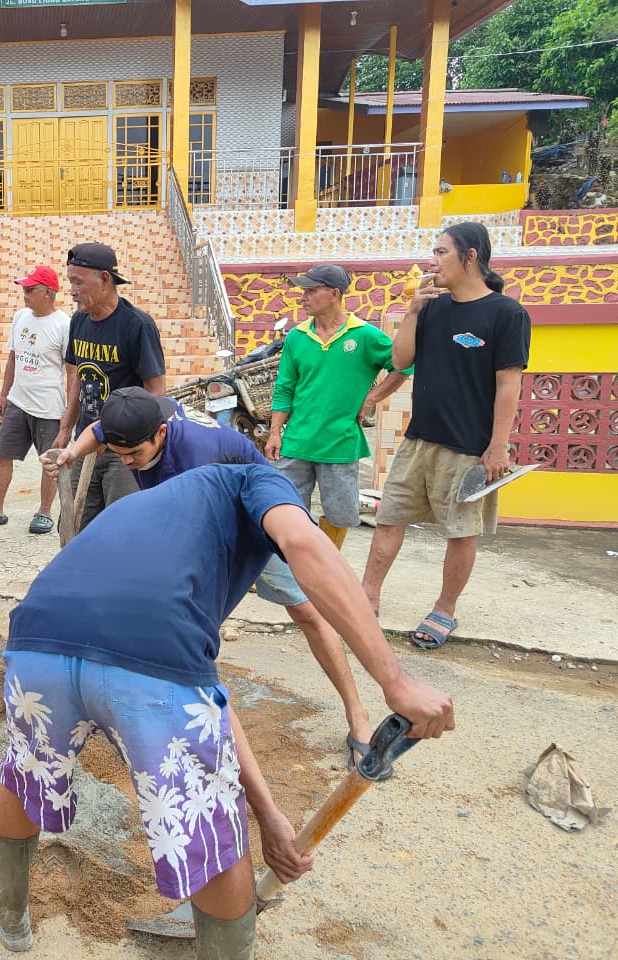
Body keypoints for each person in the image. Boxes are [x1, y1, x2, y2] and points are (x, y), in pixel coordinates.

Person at [0, 462, 455, 956]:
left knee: (26, 771)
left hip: (37, 645)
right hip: (150, 666)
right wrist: (394, 683)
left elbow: (211, 697)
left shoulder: (157, 514)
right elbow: (306, 545)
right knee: (206, 826)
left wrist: (268, 815)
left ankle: (11, 917)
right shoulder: (255, 479)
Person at [48, 387, 375, 759]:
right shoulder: (138, 417)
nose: (127, 464)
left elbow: (198, 537)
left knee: (307, 612)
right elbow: (97, 430)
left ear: (161, 434)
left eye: (134, 455)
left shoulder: (195, 458)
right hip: (192, 510)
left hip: (253, 512)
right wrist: (71, 453)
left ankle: (357, 713)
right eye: (120, 455)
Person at [362, 221, 531, 650]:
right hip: (420, 439)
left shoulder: (506, 314)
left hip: (468, 448)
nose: (432, 261)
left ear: (470, 256)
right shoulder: (433, 308)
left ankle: (445, 608)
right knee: (388, 519)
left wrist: (497, 446)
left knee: (460, 531)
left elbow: (509, 384)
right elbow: (401, 361)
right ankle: (367, 596)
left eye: (441, 253)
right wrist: (414, 311)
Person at [266, 263, 409, 548]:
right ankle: (292, 568)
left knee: (340, 514)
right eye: (303, 290)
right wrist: (274, 432)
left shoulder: (365, 336)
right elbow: (285, 387)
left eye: (311, 290)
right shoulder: (297, 336)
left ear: (334, 294)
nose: (303, 296)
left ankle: (328, 567)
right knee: (285, 509)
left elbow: (403, 366)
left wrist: (372, 398)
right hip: (296, 442)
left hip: (340, 444)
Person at [61, 242, 165, 529]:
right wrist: (65, 429)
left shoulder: (137, 326)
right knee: (72, 525)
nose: (72, 291)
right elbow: (78, 379)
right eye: (70, 282)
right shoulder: (78, 321)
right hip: (85, 441)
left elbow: (156, 392)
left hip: (124, 451)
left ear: (104, 279)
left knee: (122, 528)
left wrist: (139, 446)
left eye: (78, 282)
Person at [0, 266, 71, 536]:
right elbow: (13, 357)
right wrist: (4, 394)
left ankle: (45, 512)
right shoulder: (21, 317)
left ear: (47, 293)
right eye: (24, 289)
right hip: (18, 401)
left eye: (30, 289)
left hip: (49, 405)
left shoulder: (64, 324)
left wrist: (70, 410)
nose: (24, 294)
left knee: (50, 461)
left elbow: (72, 371)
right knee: (2, 454)